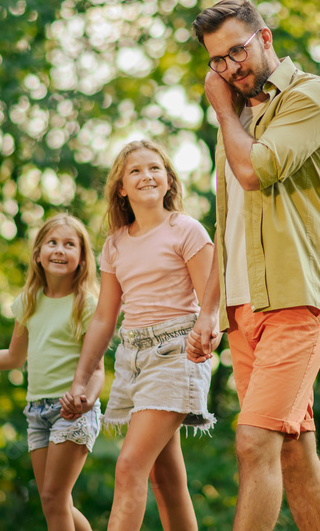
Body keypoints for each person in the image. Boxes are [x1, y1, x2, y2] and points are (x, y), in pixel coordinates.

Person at [186, 0, 320, 531]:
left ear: (266, 39)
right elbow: (226, 224)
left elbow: (258, 171)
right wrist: (209, 311)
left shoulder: (312, 96)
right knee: (292, 451)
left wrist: (220, 110)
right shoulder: (235, 120)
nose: (232, 67)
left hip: (297, 297)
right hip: (242, 305)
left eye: (238, 50)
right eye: (218, 60)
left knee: (254, 441)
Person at [61, 139, 215, 531]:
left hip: (175, 353)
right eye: (135, 170)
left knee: (129, 464)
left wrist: (208, 332)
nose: (146, 175)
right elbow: (103, 320)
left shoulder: (187, 230)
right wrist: (81, 379)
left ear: (168, 180)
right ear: (121, 188)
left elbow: (212, 301)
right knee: (165, 480)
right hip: (132, 361)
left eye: (154, 168)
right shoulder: (115, 244)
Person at [0, 213, 103, 531]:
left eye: (70, 244)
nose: (59, 250)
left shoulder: (87, 305)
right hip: (37, 412)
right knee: (55, 501)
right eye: (52, 242)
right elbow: (13, 357)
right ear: (38, 254)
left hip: (73, 412)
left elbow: (98, 370)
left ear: (81, 259)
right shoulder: (28, 302)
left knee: (54, 498)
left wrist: (85, 400)